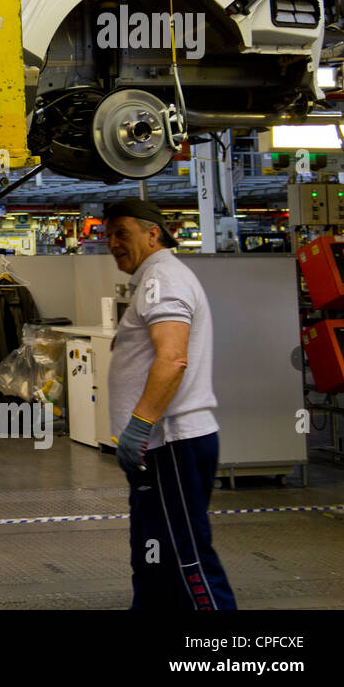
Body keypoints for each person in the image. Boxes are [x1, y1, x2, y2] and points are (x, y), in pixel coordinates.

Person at [104, 197, 236, 610]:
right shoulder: (153, 278)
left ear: (152, 233)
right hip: (157, 448)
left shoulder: (164, 278)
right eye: (107, 235)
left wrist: (140, 425)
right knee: (152, 552)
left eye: (121, 233)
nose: (112, 243)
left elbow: (172, 357)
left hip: (170, 443)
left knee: (184, 556)